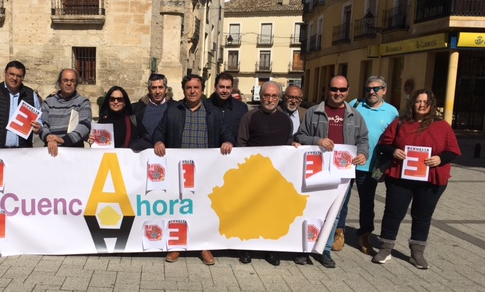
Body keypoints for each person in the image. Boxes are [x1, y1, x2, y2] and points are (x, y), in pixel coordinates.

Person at [373, 89, 461, 269]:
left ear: (431, 105)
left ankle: (417, 252)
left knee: (422, 215)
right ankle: (386, 247)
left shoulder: (442, 126)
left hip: (431, 179)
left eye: (426, 102)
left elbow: (453, 151)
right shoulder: (400, 123)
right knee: (393, 211)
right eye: (418, 101)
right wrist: (394, 151)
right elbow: (384, 144)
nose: (421, 105)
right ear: (412, 103)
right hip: (400, 177)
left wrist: (440, 159)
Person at [153, 74, 234, 266]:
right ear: (184, 90)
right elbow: (159, 130)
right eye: (188, 87)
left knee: (204, 209)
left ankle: (203, 246)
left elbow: (226, 131)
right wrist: (158, 141)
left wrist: (228, 141)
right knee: (179, 208)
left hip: (204, 172)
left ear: (203, 90)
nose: (192, 91)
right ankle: (177, 246)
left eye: (196, 88)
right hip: (178, 171)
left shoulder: (213, 112)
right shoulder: (173, 110)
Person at [296, 75, 369, 268]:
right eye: (334, 89)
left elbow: (363, 139)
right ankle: (305, 248)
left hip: (342, 173)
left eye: (342, 90)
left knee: (334, 213)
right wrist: (317, 141)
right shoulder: (313, 112)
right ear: (328, 90)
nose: (338, 93)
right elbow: (300, 135)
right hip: (316, 170)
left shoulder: (355, 115)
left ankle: (325, 250)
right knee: (311, 209)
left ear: (348, 91)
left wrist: (362, 153)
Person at [237, 80, 295, 266]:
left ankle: (271, 250)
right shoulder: (250, 116)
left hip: (275, 177)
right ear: (260, 97)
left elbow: (287, 144)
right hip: (252, 174)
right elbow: (241, 144)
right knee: (250, 211)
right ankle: (246, 248)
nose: (270, 99)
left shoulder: (286, 119)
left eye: (274, 96)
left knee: (272, 213)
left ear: (280, 98)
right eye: (266, 95)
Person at [349, 76, 399, 256]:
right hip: (346, 163)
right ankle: (338, 233)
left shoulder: (392, 112)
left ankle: (365, 234)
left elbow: (394, 140)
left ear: (384, 90)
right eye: (368, 88)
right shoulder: (354, 104)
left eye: (376, 89)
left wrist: (388, 166)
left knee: (367, 203)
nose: (372, 92)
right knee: (341, 201)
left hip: (372, 166)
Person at [38, 68, 92, 156]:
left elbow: (84, 126)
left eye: (72, 81)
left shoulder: (83, 102)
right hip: (50, 152)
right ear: (60, 82)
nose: (69, 83)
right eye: (65, 80)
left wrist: (63, 140)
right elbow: (43, 124)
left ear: (76, 84)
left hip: (75, 153)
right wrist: (49, 138)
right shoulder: (48, 102)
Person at [130, 73, 176, 150]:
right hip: (143, 153)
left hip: (167, 154)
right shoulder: (136, 109)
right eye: (154, 88)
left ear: (166, 89)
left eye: (160, 87)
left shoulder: (175, 108)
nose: (157, 91)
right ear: (149, 89)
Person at [209, 72, 248, 141]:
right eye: (221, 87)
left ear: (232, 89)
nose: (225, 91)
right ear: (215, 87)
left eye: (228, 87)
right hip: (210, 150)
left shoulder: (241, 108)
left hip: (234, 150)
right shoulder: (205, 106)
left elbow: (245, 132)